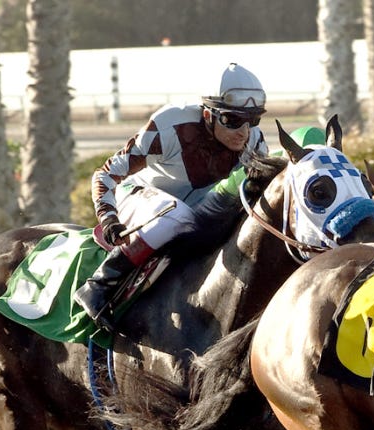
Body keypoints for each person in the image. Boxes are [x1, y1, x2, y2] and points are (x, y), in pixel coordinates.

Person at [73, 62, 269, 330]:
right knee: (179, 215)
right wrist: (108, 217)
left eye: (253, 120)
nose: (244, 132)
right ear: (208, 114)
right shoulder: (172, 125)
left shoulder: (254, 142)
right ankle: (99, 284)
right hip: (134, 198)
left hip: (187, 211)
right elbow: (105, 174)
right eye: (232, 120)